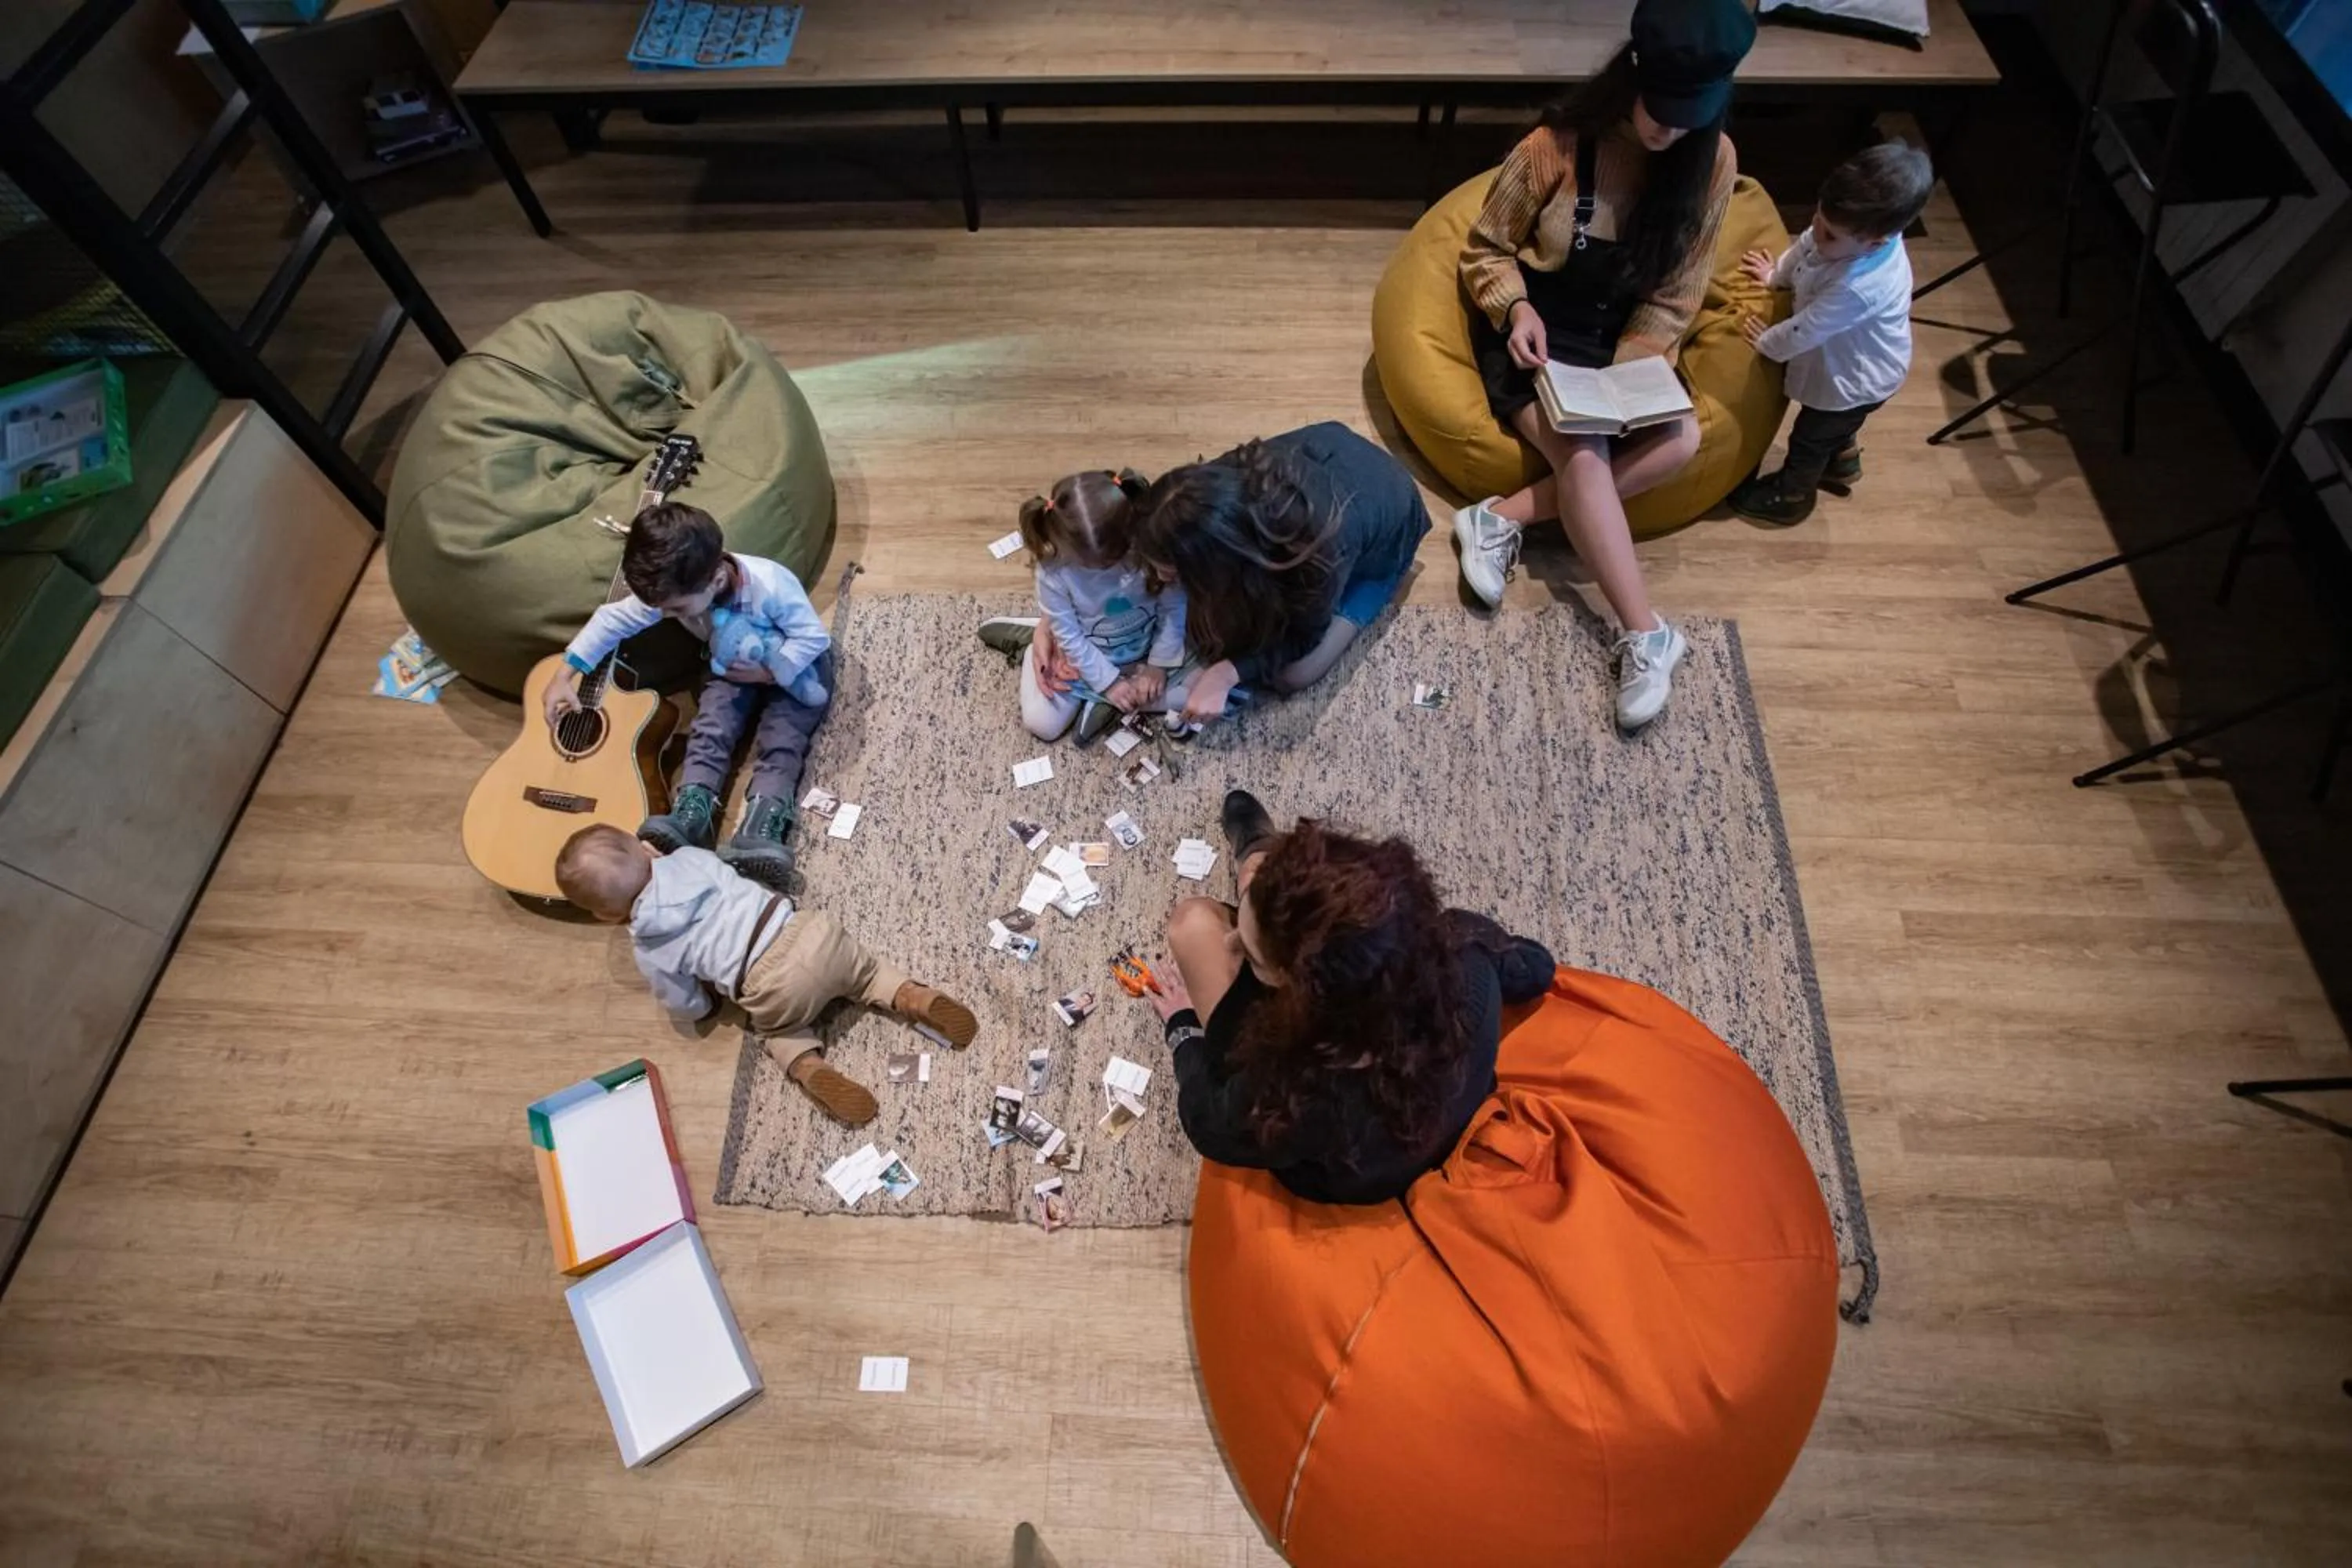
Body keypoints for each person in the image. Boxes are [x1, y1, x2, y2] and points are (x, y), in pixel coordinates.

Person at [1450, 0, 1755, 731]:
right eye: (1661, 110)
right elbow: (1484, 249)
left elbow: (1679, 294)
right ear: (1633, 75)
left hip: (1625, 337)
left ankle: (1500, 519)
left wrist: (1631, 378)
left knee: (1678, 437)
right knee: (1584, 455)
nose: (1669, 130)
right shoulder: (1552, 146)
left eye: (1690, 116)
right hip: (1538, 331)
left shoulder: (1713, 162)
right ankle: (1646, 631)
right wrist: (1515, 309)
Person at [1134, 791, 1558, 1204]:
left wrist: (1183, 1027)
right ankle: (1260, 861)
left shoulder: (1288, 1092)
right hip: (1425, 1113)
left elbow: (1207, 1124)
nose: (1231, 946)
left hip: (1348, 1179)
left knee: (1192, 924)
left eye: (1250, 952)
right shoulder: (1464, 948)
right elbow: (1538, 968)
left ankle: (1258, 857)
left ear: (1302, 993)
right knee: (1260, 881)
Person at [554, 824, 978, 1127]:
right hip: (810, 932)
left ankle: (810, 1068)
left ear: (607, 914)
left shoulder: (649, 947)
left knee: (778, 1033)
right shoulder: (692, 859)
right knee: (867, 973)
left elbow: (687, 1003)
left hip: (771, 985)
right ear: (645, 848)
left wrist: (704, 1006)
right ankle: (912, 997)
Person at [1045, 422, 1428, 728]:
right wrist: (1055, 619)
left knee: (1292, 675)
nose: (1160, 579)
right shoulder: (1196, 492)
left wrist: (1228, 674)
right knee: (1212, 627)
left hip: (1377, 537)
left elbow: (1304, 634)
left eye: (1169, 570)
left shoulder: (1318, 553)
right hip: (1330, 456)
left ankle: (1389, 581)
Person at [544, 501, 831, 888]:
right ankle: (693, 811)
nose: (664, 615)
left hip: (794, 668)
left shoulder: (772, 584)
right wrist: (565, 674)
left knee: (783, 738)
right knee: (710, 727)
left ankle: (763, 823)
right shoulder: (671, 593)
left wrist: (769, 671)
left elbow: (812, 637)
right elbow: (612, 620)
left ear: (715, 580)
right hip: (728, 668)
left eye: (675, 609)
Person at [1728, 141, 1933, 526]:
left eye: (1831, 235)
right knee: (1834, 430)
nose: (1818, 233)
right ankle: (1841, 460)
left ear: (1877, 242)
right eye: (1819, 218)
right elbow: (1805, 248)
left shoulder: (1860, 285)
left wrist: (1765, 342)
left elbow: (1806, 330)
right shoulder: (1845, 231)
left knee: (1810, 438)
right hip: (1858, 373)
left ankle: (1791, 495)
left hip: (1854, 381)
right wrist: (1776, 278)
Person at [973, 469, 1191, 742]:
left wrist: (1158, 664)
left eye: (1116, 559)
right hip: (1085, 656)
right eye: (1095, 565)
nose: (1108, 571)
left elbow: (1174, 608)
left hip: (1144, 650)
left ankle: (1106, 701)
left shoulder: (1153, 548)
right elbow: (1072, 637)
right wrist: (1108, 682)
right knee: (1042, 723)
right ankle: (1037, 645)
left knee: (1197, 695)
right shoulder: (1053, 572)